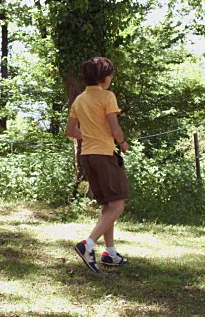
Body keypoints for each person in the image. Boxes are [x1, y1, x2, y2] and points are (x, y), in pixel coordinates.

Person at [65, 57, 130, 273]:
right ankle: (88, 244)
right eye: (110, 74)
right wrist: (122, 143)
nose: (111, 78)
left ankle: (110, 253)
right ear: (104, 77)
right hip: (105, 155)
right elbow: (115, 128)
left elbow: (70, 131)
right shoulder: (107, 96)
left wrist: (90, 135)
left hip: (88, 156)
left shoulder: (79, 100)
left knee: (108, 204)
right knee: (118, 204)